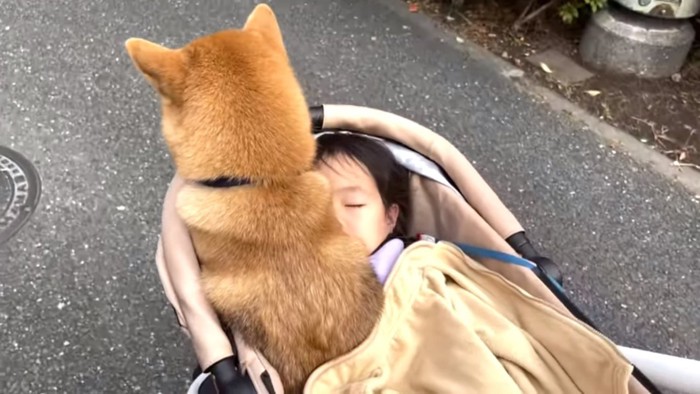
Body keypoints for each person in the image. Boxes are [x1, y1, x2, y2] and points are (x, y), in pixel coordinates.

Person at [155, 131, 413, 392]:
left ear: (391, 217)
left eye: (354, 204)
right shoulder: (273, 258)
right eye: (315, 204)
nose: (333, 217)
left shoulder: (416, 265)